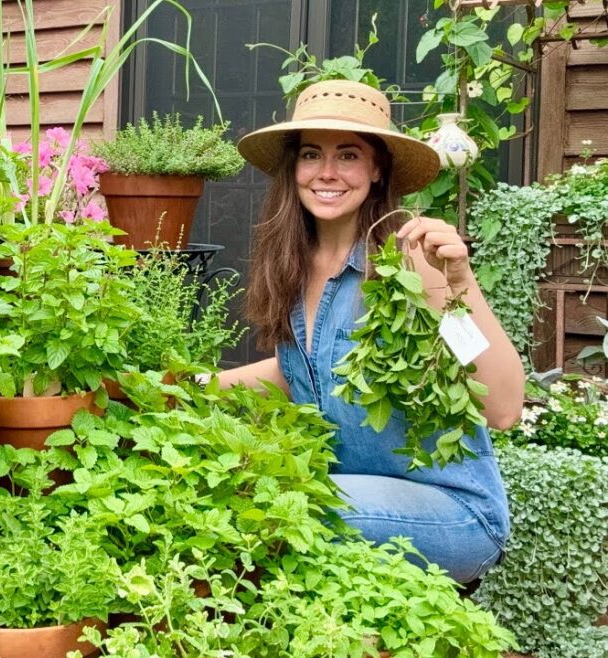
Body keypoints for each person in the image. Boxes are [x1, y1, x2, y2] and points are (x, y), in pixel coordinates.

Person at [221, 79, 523, 583]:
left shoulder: (408, 262)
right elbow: (303, 369)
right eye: (312, 154)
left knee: (277, 510)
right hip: (351, 498)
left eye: (349, 155)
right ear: (294, 167)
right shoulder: (294, 265)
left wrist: (458, 284)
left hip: (451, 511)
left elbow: (504, 407)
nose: (327, 173)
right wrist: (176, 388)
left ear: (377, 167)